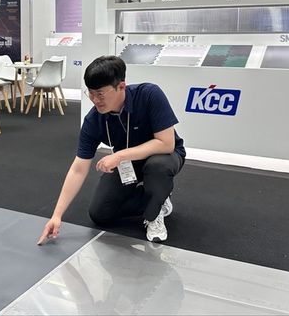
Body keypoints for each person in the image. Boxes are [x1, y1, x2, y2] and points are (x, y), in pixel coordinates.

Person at [38, 56, 186, 244]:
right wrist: (56, 215)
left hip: (164, 156)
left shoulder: (149, 95)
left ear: (121, 86)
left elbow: (166, 143)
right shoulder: (93, 120)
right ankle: (157, 197)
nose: (95, 100)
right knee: (100, 213)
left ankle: (154, 212)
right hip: (128, 163)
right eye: (91, 93)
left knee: (157, 166)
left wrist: (120, 155)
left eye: (100, 94)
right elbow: (78, 169)